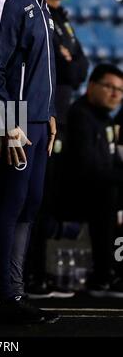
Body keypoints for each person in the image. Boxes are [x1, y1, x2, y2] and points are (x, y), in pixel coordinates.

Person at [0, 0, 58, 324]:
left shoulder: (38, 0)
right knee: (10, 207)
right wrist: (5, 125)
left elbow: (38, 69)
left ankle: (15, 292)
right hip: (15, 127)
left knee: (29, 207)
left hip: (38, 123)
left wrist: (49, 113)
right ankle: (1, 297)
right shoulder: (7, 2)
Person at [26, 0, 89, 298]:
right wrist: (69, 62)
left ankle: (41, 274)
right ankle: (30, 277)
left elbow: (80, 68)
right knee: (37, 200)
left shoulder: (63, 20)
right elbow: (63, 69)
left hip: (60, 118)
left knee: (50, 201)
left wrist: (71, 61)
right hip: (43, 116)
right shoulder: (40, 15)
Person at [63, 64, 123, 297]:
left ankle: (112, 272)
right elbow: (87, 169)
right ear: (91, 86)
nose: (115, 94)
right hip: (71, 193)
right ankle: (104, 276)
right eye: (109, 86)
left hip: (99, 188)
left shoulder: (105, 120)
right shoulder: (80, 116)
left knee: (112, 192)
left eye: (119, 89)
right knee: (108, 194)